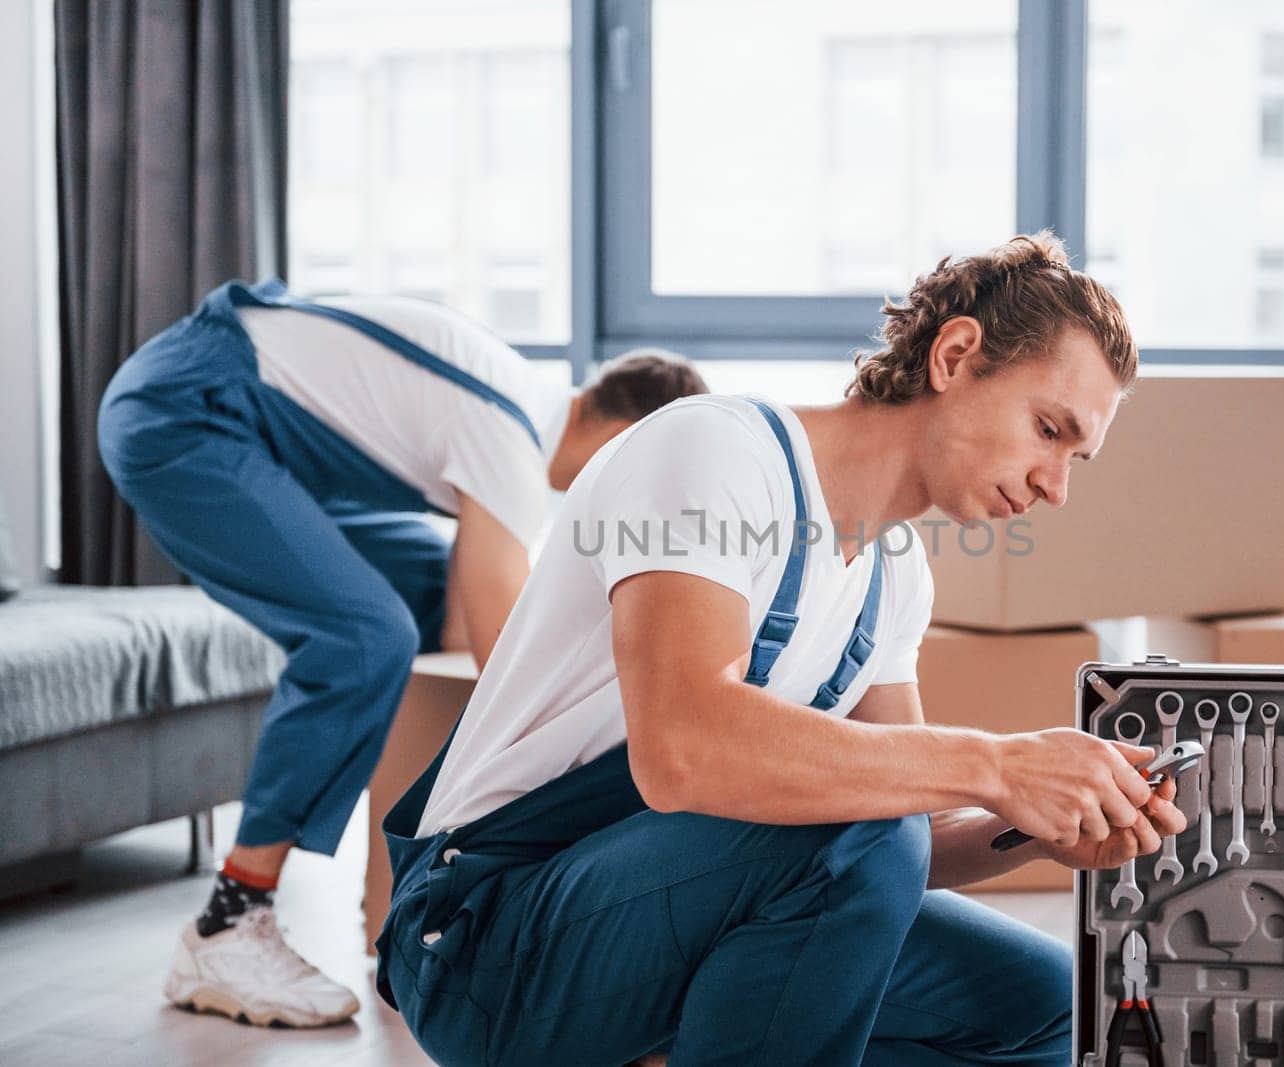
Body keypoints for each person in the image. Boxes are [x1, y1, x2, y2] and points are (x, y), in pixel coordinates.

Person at [375, 232, 1186, 1066]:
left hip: (656, 907)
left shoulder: (893, 577)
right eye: (1049, 429)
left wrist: (1037, 827)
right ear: (955, 355)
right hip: (486, 935)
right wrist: (998, 762)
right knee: (859, 834)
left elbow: (910, 835)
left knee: (1046, 1005)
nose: (1056, 486)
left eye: (1076, 459)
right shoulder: (716, 453)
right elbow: (682, 747)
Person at [96, 278, 708, 1028]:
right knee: (365, 637)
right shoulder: (508, 436)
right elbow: (505, 655)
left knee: (420, 577)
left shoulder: (515, 404)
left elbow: (459, 622)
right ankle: (232, 915)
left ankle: (404, 885)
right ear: (629, 441)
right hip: (187, 408)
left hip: (254, 427)